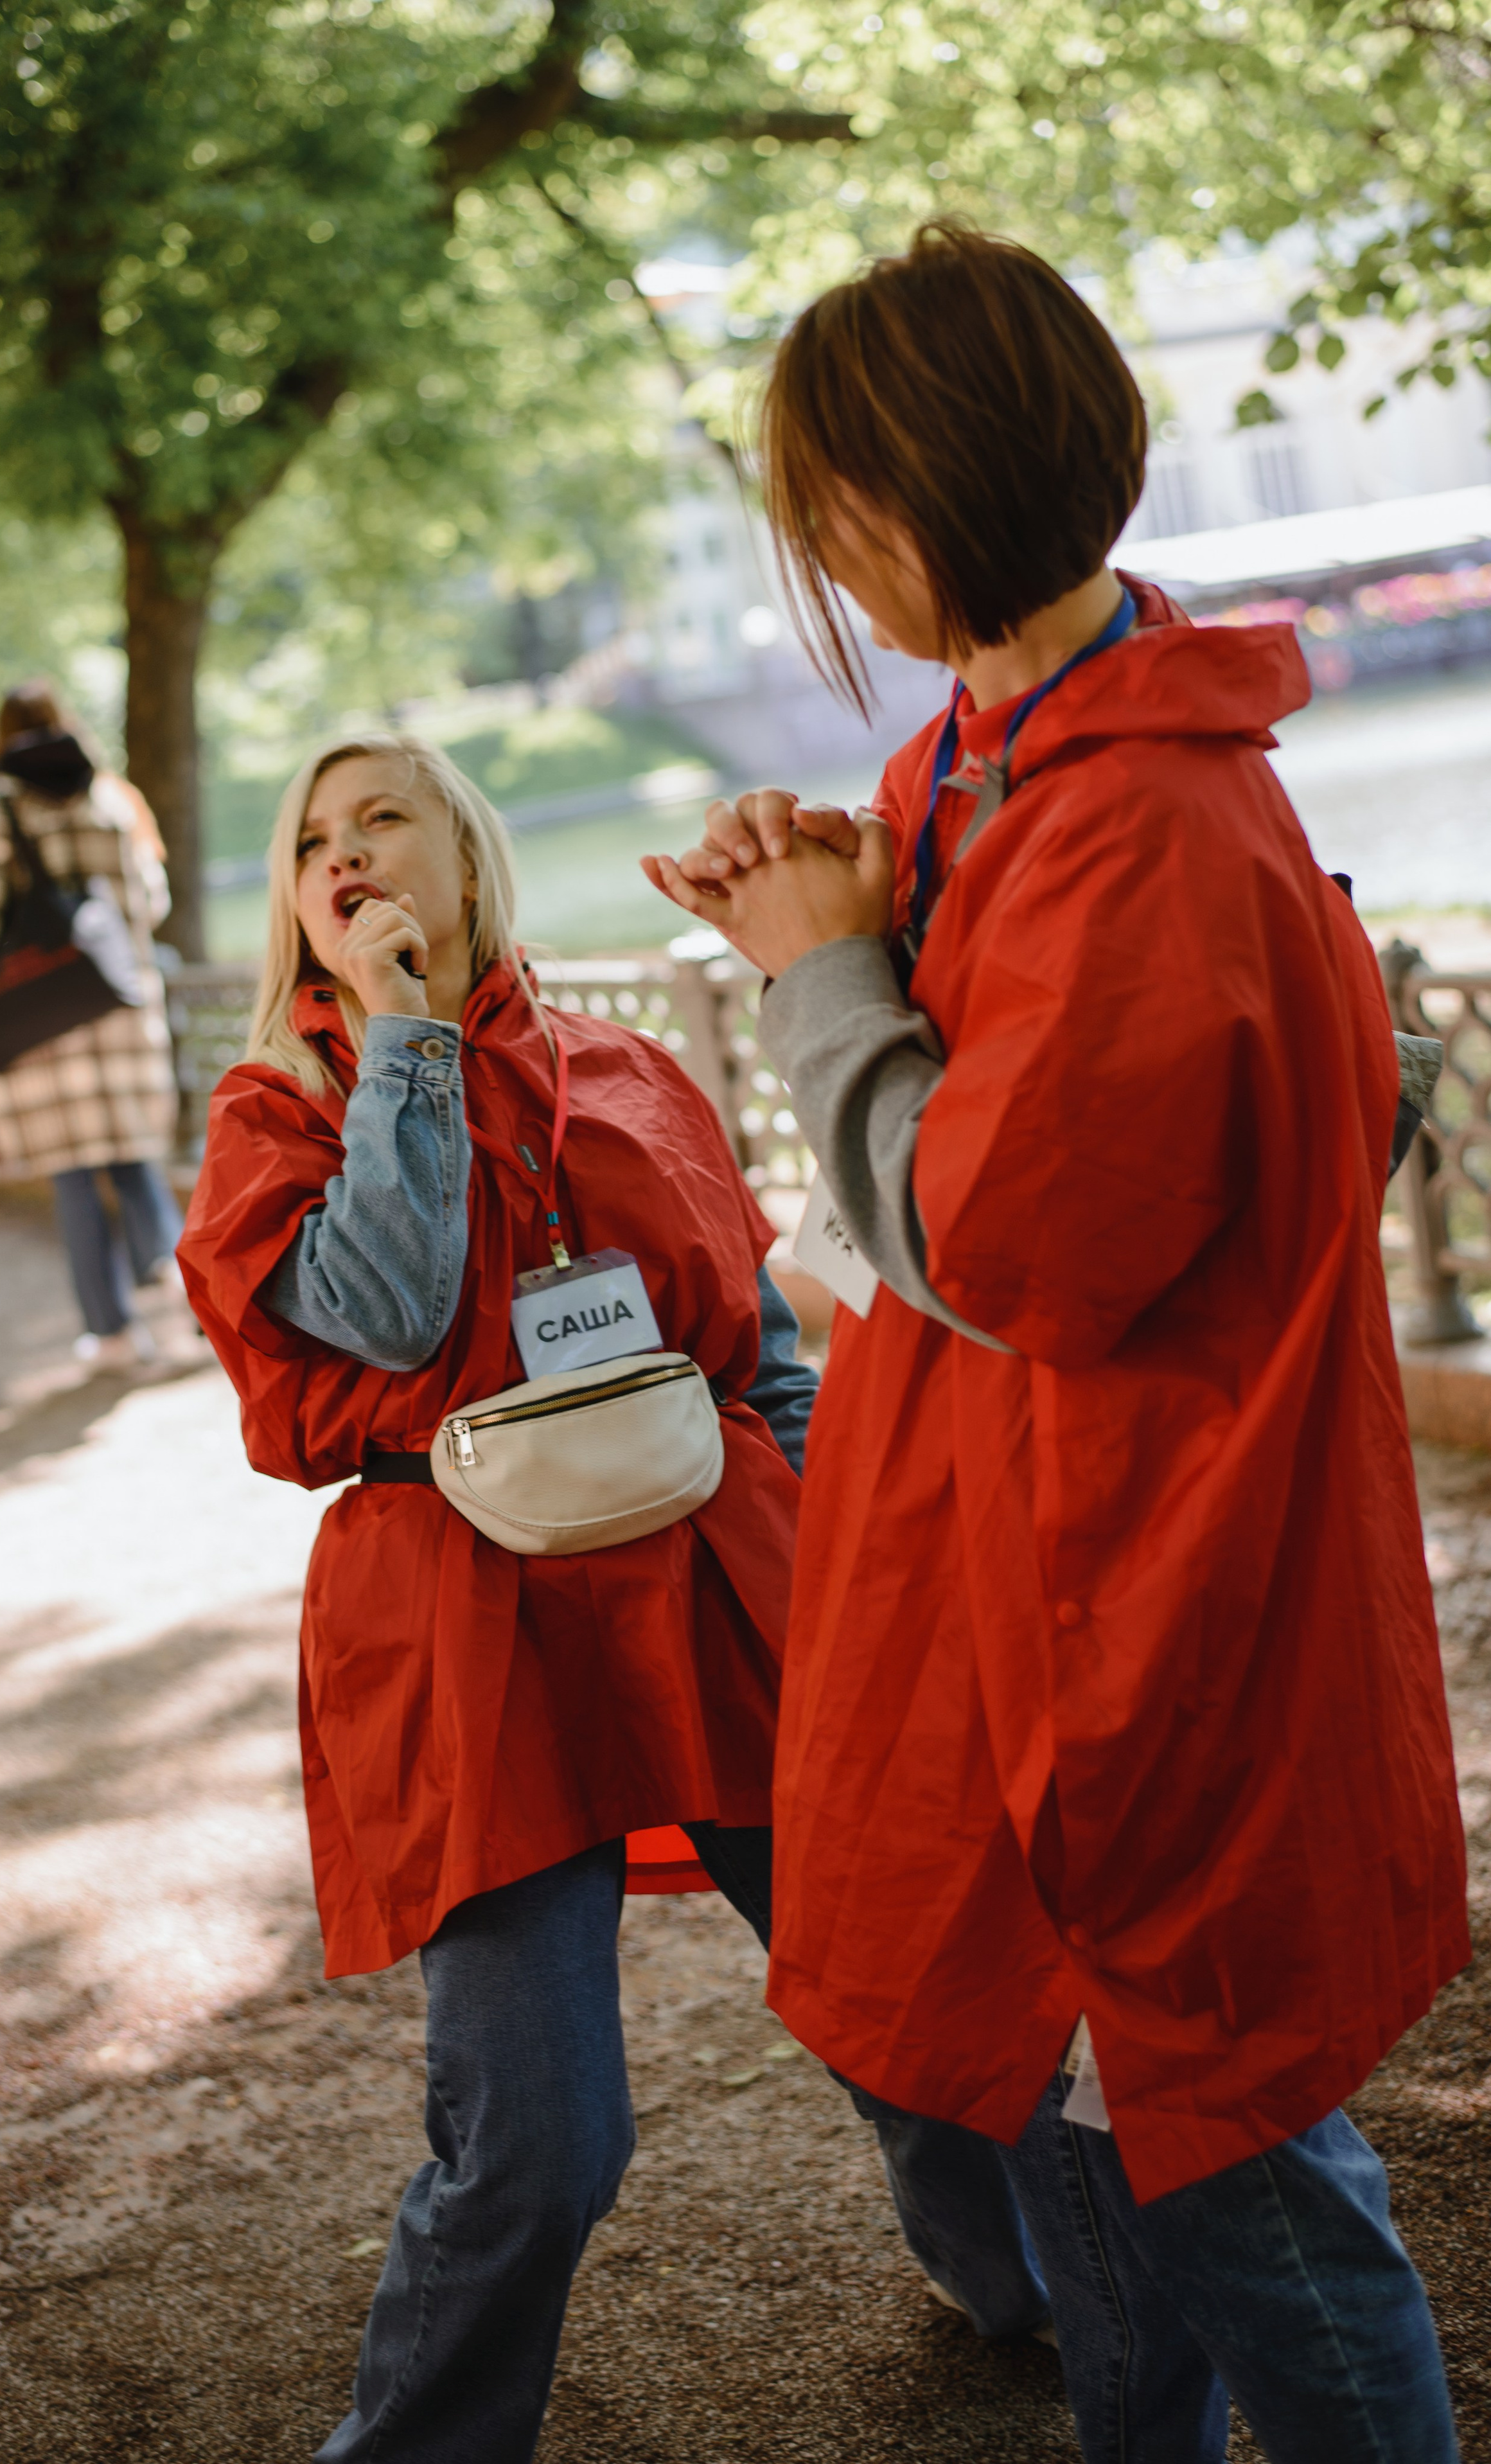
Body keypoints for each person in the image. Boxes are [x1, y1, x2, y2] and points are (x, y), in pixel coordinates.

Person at [644, 220, 1469, 2464]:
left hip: (1133, 1596)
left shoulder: (1141, 818)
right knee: (1108, 2136)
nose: (814, 550)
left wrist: (822, 973)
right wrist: (816, 896)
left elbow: (1006, 1242)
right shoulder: (996, 757)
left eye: (829, 506)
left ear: (938, 493)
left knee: (1231, 2167)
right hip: (1022, 1561)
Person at [177, 728, 1052, 2464]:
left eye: (384, 822)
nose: (345, 857)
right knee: (544, 2135)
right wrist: (406, 1039)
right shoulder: (274, 1110)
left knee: (910, 1981)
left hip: (723, 1565)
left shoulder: (632, 1068)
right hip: (461, 1608)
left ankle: (1026, 2291)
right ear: (294, 905)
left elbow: (761, 1347)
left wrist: (844, 1575)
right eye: (311, 844)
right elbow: (386, 1311)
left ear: (467, 851)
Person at [0, 681, 182, 1367]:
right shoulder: (114, 797)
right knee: (136, 1160)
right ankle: (181, 1286)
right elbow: (150, 902)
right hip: (119, 1010)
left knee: (74, 1178)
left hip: (39, 1019)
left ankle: (111, 1333)